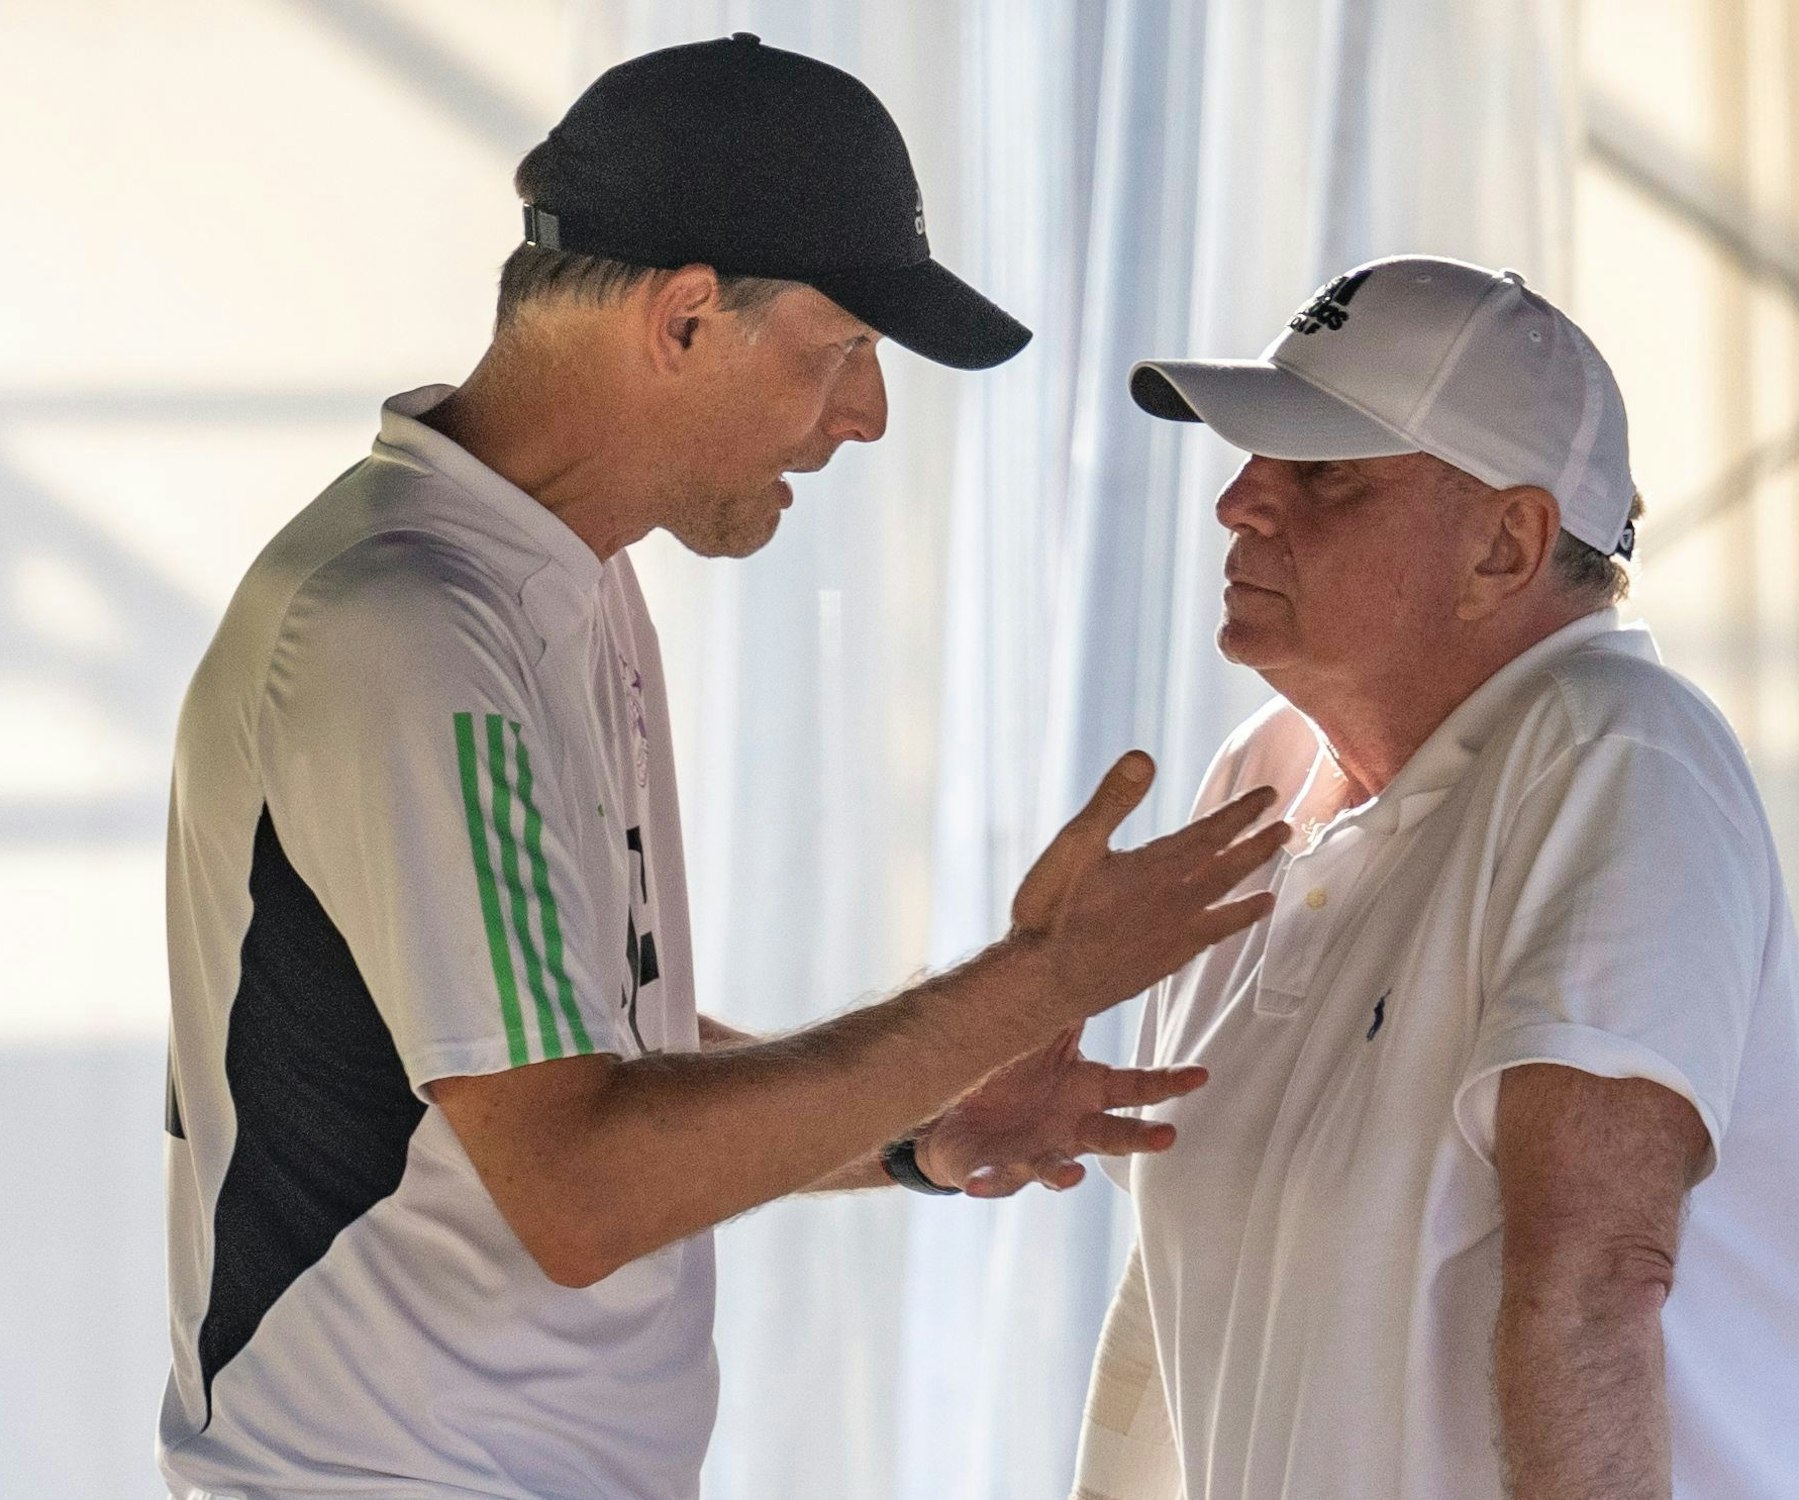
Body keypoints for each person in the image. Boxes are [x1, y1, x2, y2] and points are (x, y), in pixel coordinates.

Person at [158, 36, 1288, 1500]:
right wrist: (1039, 979)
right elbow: (580, 1183)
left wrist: (918, 1125)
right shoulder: (409, 626)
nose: (868, 415)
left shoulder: (546, 579)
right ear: (685, 317)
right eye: (844, 351)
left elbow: (575, 1045)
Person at [1068, 255, 1799, 1500]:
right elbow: (1179, 1291)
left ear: (1505, 546)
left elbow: (1593, 1280)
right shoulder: (1262, 776)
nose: (1239, 502)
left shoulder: (1616, 745)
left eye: (1323, 476)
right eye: (1250, 459)